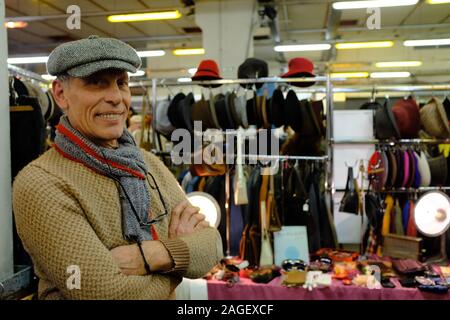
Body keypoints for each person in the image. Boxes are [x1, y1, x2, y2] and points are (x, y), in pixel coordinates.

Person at [12, 35, 223, 300]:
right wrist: (178, 261)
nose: (115, 97)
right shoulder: (42, 183)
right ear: (61, 93)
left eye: (121, 83)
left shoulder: (147, 164)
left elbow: (212, 246)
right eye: (96, 83)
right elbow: (104, 293)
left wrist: (150, 256)